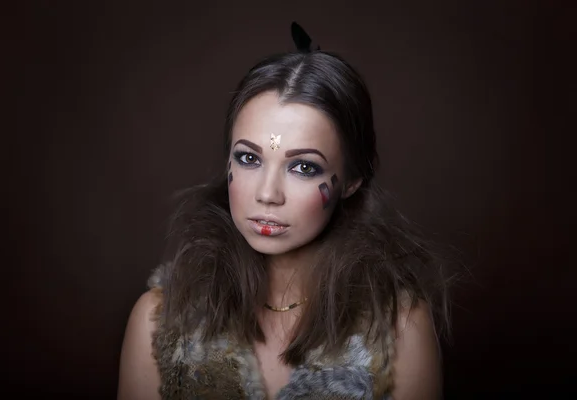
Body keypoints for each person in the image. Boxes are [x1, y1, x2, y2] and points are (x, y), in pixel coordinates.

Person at [118, 22, 449, 400]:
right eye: (248, 158)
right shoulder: (159, 322)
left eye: (304, 167)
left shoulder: (397, 327)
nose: (267, 194)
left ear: (352, 180)